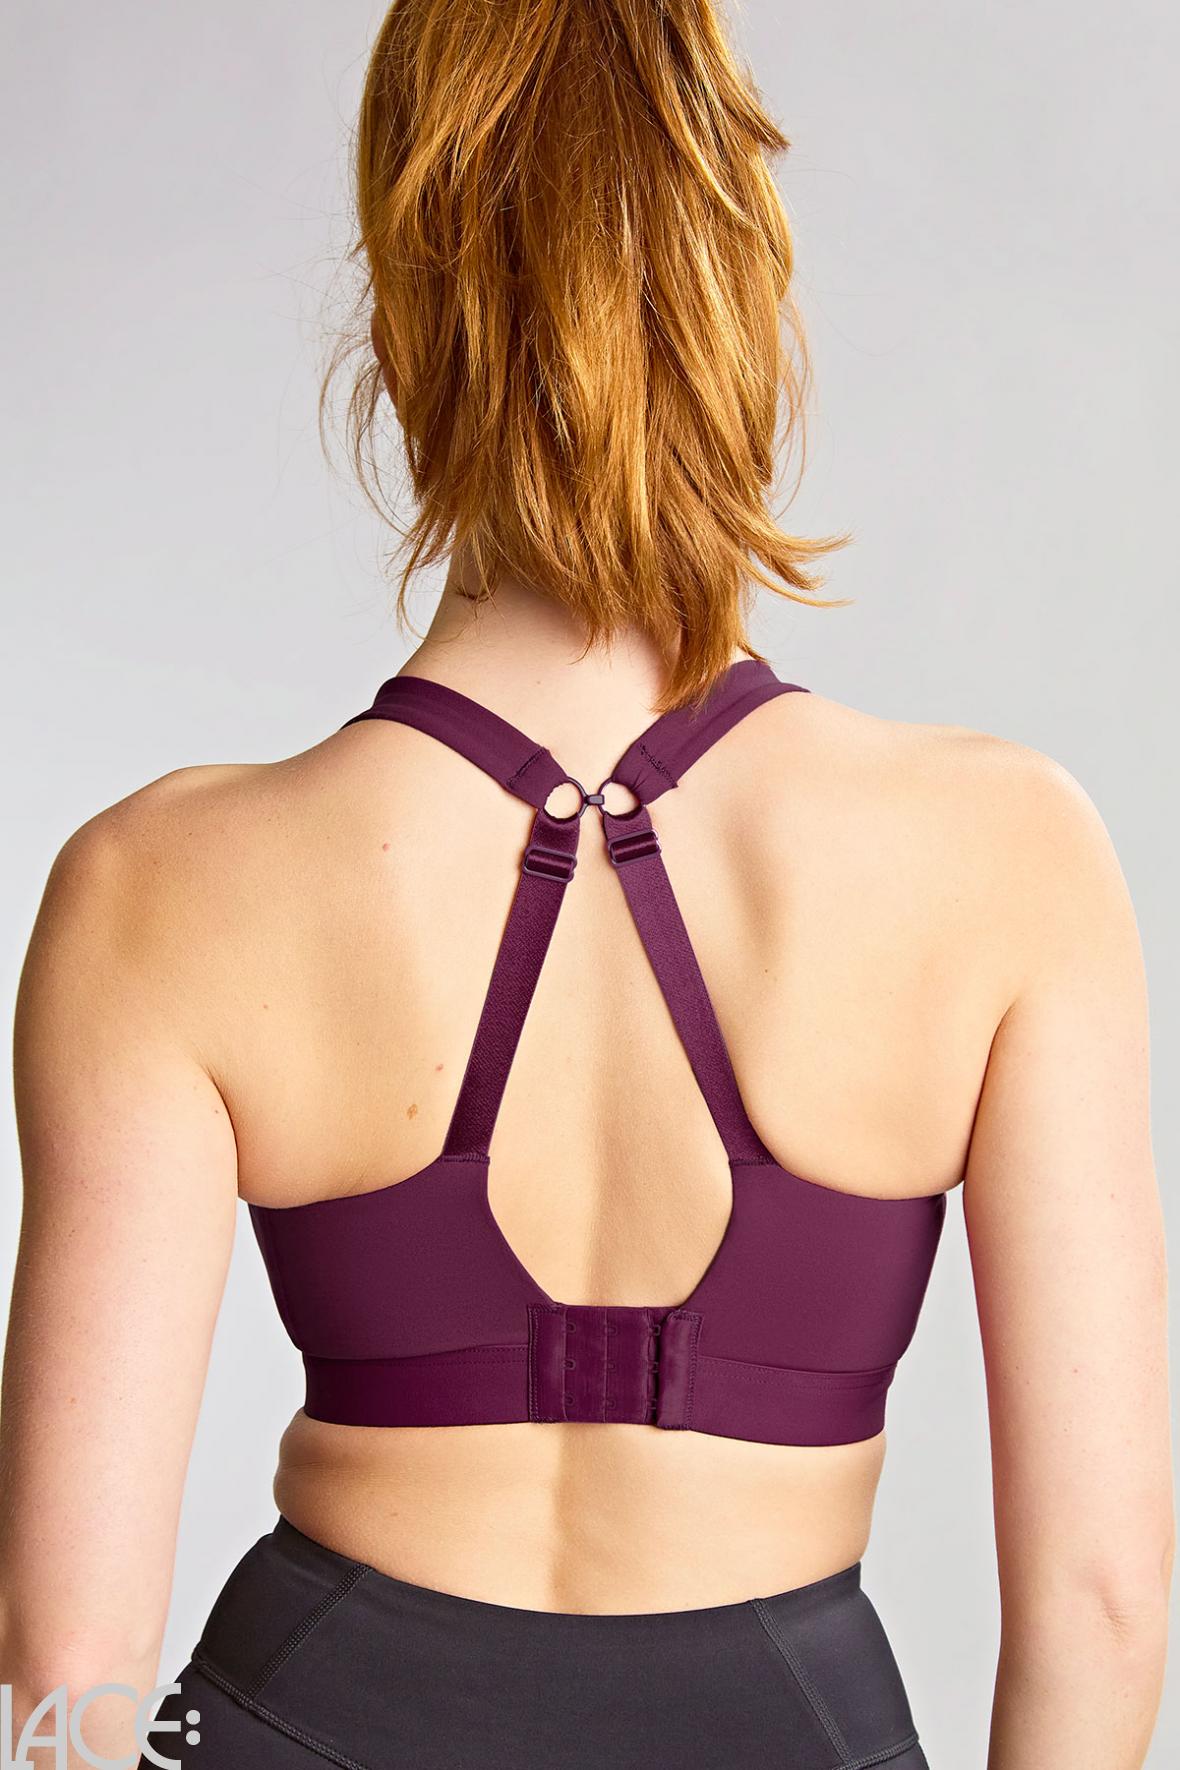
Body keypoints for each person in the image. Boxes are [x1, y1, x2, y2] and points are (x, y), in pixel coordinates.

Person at [0, 3, 1172, 1766]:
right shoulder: (1007, 854)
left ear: (406, 317)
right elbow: (1103, 1599)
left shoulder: (155, 883)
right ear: (742, 289)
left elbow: (63, 1655)